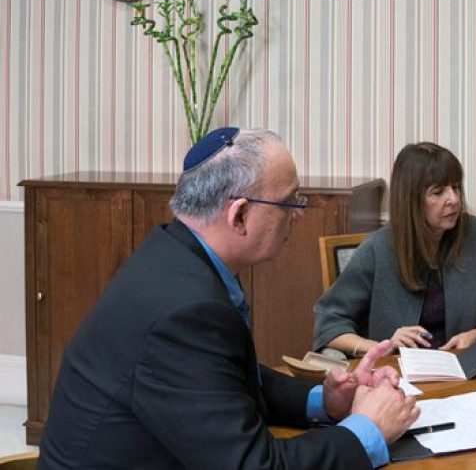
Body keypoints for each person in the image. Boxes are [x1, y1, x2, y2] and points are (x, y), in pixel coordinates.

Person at [39, 128, 419, 470]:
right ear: (239, 216)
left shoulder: (175, 254)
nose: (299, 215)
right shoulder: (185, 311)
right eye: (290, 203)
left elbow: (224, 382)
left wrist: (328, 400)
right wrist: (366, 430)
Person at [314, 141, 476, 356]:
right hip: (394, 376)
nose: (454, 199)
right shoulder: (378, 249)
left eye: (456, 187)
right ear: (411, 201)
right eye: (438, 192)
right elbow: (330, 324)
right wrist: (383, 346)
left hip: (467, 369)